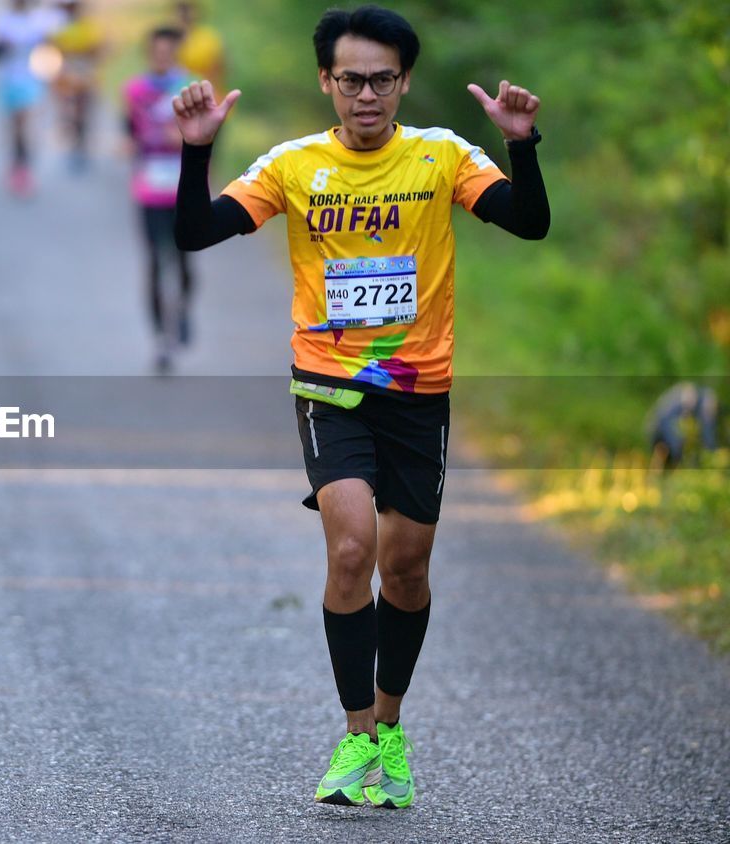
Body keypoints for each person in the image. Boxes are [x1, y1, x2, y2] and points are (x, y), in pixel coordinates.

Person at [172, 5, 549, 808]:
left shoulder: (442, 157)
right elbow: (196, 232)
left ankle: (390, 726)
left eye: (382, 80)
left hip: (419, 392)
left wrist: (521, 142)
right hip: (329, 387)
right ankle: (354, 740)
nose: (367, 96)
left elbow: (529, 222)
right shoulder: (293, 165)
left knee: (404, 569)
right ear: (327, 82)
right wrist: (195, 152)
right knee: (351, 552)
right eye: (352, 80)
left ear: (404, 81)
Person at [124, 27, 196, 373]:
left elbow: (209, 133)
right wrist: (130, 145)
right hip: (149, 187)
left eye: (169, 51)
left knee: (183, 263)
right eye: (157, 52)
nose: (162, 57)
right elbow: (129, 130)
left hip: (184, 188)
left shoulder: (192, 89)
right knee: (154, 260)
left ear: (176, 53)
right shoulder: (136, 90)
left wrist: (183, 138)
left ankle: (182, 309)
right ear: (149, 54)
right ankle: (160, 339)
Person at [0, 0, 63, 197]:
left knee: (27, 125)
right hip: (8, 80)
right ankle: (17, 164)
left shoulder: (41, 20)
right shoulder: (1, 20)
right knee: (15, 127)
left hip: (32, 81)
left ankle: (25, 166)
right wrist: (1, 46)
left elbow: (52, 52)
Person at [50, 1, 106, 172]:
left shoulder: (87, 26)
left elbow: (99, 49)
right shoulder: (58, 28)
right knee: (69, 115)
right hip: (66, 79)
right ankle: (73, 147)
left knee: (82, 115)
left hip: (85, 78)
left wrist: (83, 51)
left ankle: (81, 148)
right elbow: (52, 51)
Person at [174, 1, 226, 96]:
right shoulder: (170, 38)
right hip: (177, 91)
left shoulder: (209, 38)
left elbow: (219, 67)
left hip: (207, 88)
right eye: (181, 9)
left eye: (188, 9)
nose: (185, 14)